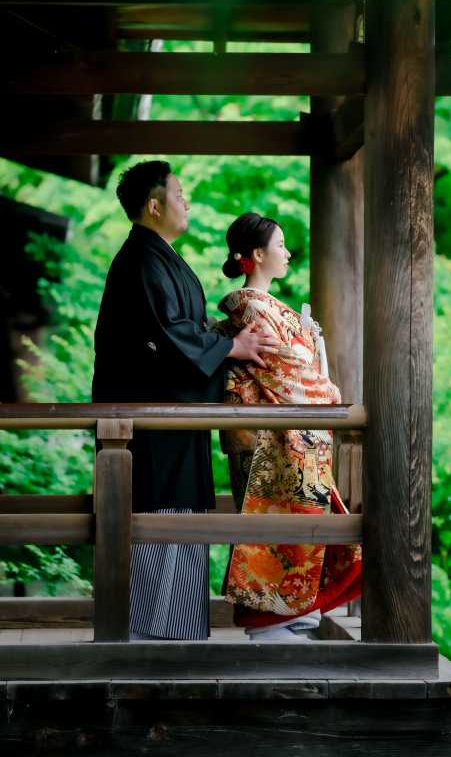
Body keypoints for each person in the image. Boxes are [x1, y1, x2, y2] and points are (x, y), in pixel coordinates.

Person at [92, 161, 276, 642]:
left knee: (179, 513)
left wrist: (221, 338)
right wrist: (230, 347)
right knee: (160, 512)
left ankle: (172, 630)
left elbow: (183, 330)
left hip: (171, 410)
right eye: (179, 194)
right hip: (151, 415)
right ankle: (150, 633)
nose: (187, 202)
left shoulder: (157, 256)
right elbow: (167, 336)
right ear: (154, 206)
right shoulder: (141, 260)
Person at [213, 212, 361, 643]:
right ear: (258, 255)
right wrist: (330, 392)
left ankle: (296, 617)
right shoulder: (249, 307)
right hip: (270, 441)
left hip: (293, 436)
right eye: (280, 245)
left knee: (304, 530)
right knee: (276, 535)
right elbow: (286, 370)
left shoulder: (267, 306)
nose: (288, 252)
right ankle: (271, 625)